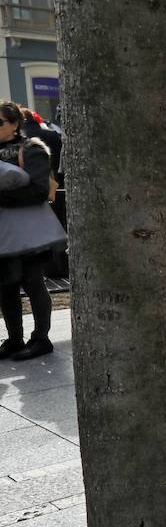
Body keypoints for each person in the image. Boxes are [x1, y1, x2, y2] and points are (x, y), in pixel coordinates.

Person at [0, 101, 65, 360]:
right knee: (6, 287)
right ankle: (14, 338)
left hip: (31, 232)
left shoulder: (32, 149)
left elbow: (38, 191)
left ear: (15, 124)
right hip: (4, 234)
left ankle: (41, 338)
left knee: (33, 282)